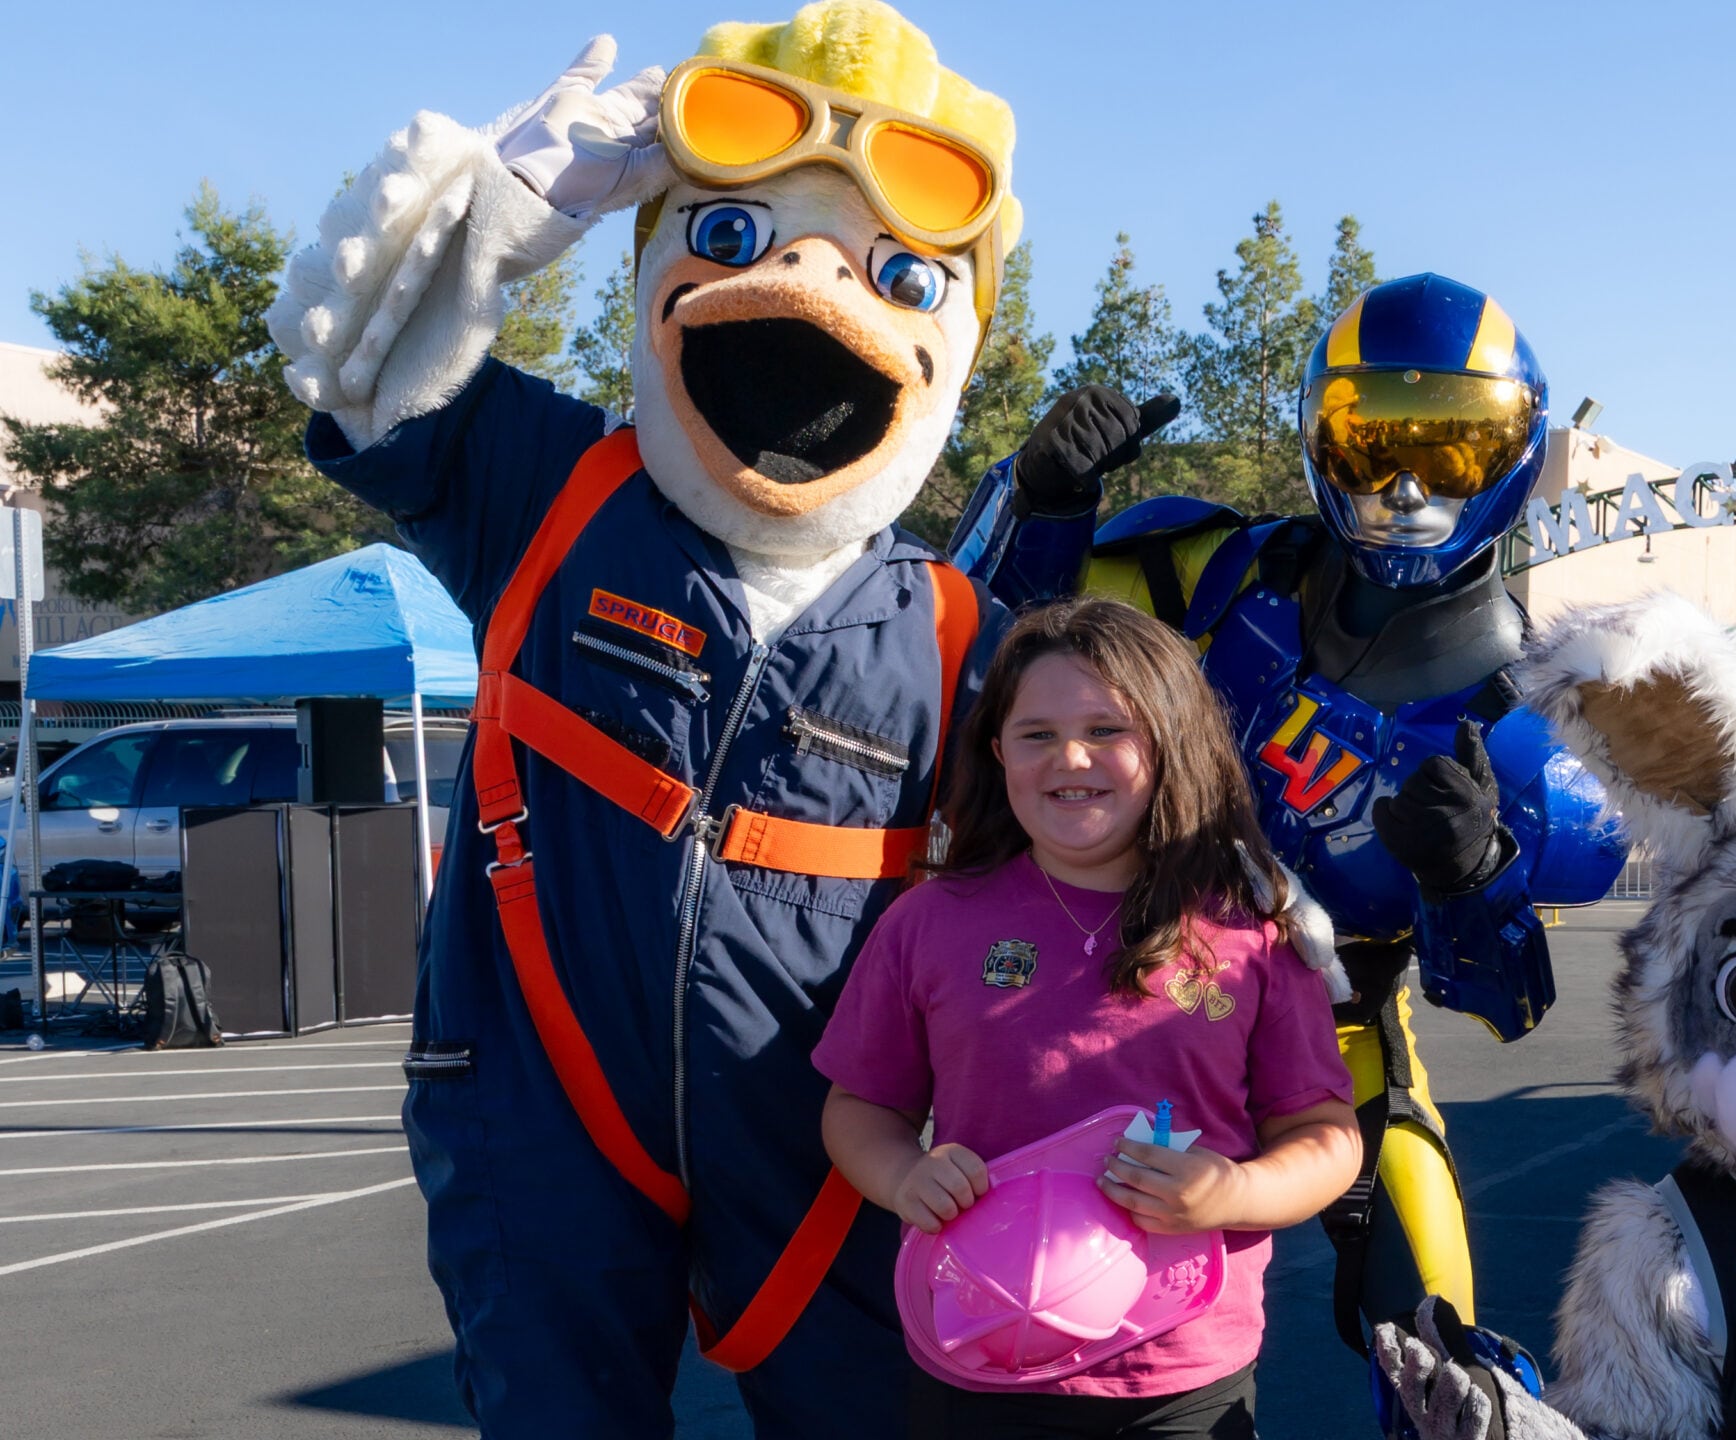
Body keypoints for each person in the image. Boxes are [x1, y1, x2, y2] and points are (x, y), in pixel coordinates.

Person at [265, 6, 1023, 1431]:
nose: (808, 289)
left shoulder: (952, 629)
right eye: (734, 239)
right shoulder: (557, 492)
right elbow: (355, 375)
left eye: (895, 273)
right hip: (540, 1085)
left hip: (829, 1137)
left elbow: (1066, 839)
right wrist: (496, 220)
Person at [948, 275, 1626, 1359]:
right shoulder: (1200, 571)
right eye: (1371, 440)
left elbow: (1505, 1010)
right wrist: (1033, 501)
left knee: (1428, 1343)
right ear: (1320, 434)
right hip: (1104, 987)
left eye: (1450, 445)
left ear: (1513, 453)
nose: (1406, 484)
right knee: (1021, 1294)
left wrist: (1470, 876)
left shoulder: (1541, 729)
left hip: (1331, 1023)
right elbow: (967, 647)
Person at [817, 595, 1363, 1439]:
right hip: (974, 1352)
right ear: (997, 750)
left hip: (1178, 1375)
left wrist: (1234, 1190)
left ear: (1169, 743)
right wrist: (901, 1176)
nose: (1071, 757)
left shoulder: (1253, 931)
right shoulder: (928, 922)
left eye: (1109, 729)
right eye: (1036, 734)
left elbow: (1327, 1134)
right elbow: (859, 1108)